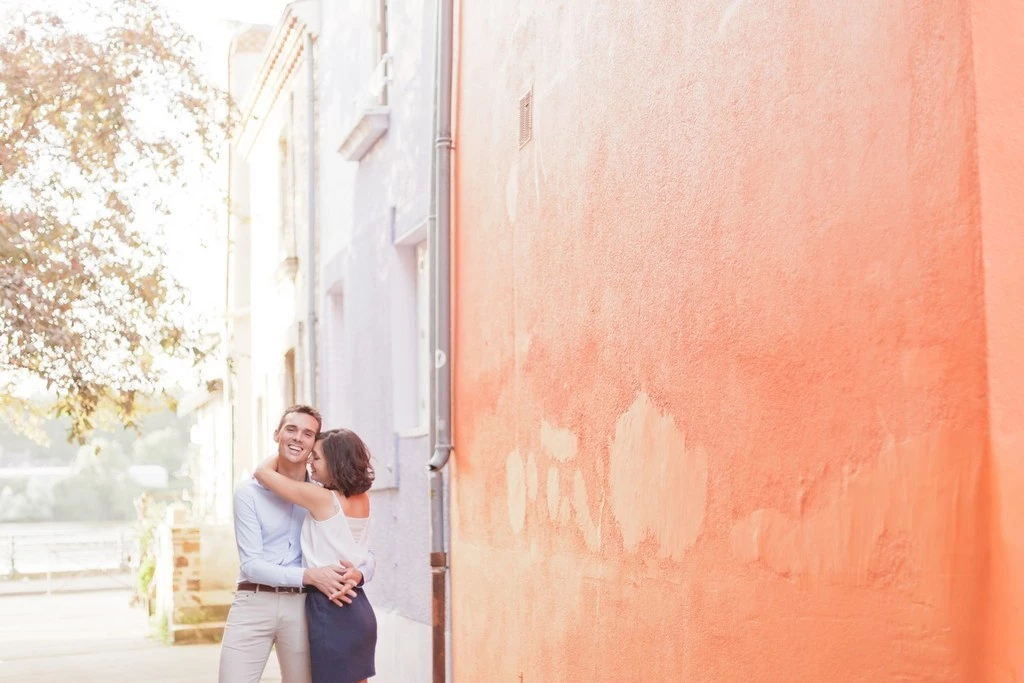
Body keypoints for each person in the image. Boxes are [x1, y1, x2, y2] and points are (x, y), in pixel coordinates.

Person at [218, 405, 375, 683]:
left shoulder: (321, 495)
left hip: (305, 606)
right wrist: (311, 575)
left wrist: (360, 572)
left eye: (308, 435)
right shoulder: (248, 493)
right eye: (291, 429)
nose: (298, 438)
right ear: (276, 433)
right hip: (255, 600)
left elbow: (364, 553)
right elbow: (251, 565)